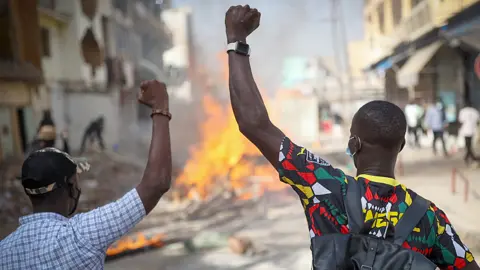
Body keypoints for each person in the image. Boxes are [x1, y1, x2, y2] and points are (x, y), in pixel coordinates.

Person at [224, 5, 478, 269]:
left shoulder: (325, 187)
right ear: (401, 146)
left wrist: (236, 40)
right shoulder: (429, 218)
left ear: (353, 144)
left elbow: (254, 124)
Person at [0, 80, 172, 270]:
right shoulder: (81, 235)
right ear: (71, 185)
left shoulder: (4, 251)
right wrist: (161, 107)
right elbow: (156, 183)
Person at [459, 100, 480, 166]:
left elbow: (461, 120)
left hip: (466, 129)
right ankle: (471, 157)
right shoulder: (475, 111)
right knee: (469, 144)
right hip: (473, 129)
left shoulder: (463, 111)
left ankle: (470, 157)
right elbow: (478, 120)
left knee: (467, 144)